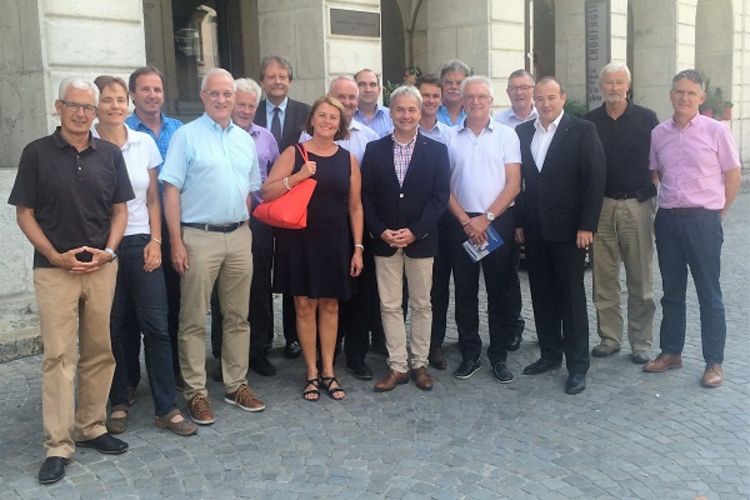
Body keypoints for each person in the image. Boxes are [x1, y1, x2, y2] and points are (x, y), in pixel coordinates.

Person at [9, 77, 133, 484]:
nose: (82, 114)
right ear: (58, 107)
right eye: (74, 105)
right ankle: (58, 445)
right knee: (59, 357)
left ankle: (90, 426)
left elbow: (120, 210)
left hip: (101, 268)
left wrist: (109, 251)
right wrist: (52, 255)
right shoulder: (36, 153)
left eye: (88, 107)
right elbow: (24, 213)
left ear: (95, 113)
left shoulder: (109, 154)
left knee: (100, 350)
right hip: (54, 271)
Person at [92, 75, 197, 437]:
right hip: (102, 246)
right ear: (96, 106)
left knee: (157, 325)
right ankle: (119, 399)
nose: (115, 106)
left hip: (141, 241)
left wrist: (156, 240)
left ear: (128, 103)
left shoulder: (143, 143)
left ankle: (166, 406)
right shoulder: (87, 143)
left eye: (119, 99)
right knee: (116, 325)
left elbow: (154, 197)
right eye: (108, 99)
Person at [160, 68, 265, 425]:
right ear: (203, 96)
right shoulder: (186, 137)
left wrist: (243, 227)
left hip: (238, 236)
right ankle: (196, 393)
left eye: (227, 94)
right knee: (193, 319)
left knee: (238, 317)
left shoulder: (245, 140)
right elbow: (170, 191)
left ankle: (236, 384)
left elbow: (250, 190)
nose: (222, 99)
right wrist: (176, 242)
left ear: (235, 98)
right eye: (215, 93)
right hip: (198, 237)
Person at [644, 69, 742, 388]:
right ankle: (671, 352)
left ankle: (714, 362)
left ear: (701, 97)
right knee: (672, 292)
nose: (684, 98)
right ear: (671, 95)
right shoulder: (659, 133)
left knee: (708, 292)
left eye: (690, 93)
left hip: (703, 220)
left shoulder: (716, 131)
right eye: (679, 92)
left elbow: (733, 175)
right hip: (669, 220)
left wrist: (718, 213)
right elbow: (657, 173)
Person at [264, 96, 365, 401]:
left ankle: (329, 371)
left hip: (335, 241)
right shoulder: (294, 153)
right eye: (322, 115)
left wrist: (358, 247)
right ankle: (311, 372)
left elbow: (355, 207)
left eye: (333, 117)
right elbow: (267, 192)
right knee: (305, 306)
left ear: (340, 124)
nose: (327, 122)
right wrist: (299, 176)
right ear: (312, 120)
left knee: (331, 306)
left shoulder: (347, 159)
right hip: (299, 241)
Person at [515, 76, 606, 395]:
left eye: (551, 97)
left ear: (563, 98)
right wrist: (519, 222)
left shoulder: (582, 130)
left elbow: (594, 180)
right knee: (541, 294)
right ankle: (550, 354)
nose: (545, 104)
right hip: (535, 228)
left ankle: (578, 366)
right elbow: (521, 183)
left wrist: (587, 226)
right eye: (540, 98)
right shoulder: (523, 132)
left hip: (570, 231)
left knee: (571, 298)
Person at [361, 85, 450, 392]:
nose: (406, 115)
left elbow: (440, 197)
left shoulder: (437, 151)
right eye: (400, 109)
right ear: (391, 112)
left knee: (423, 304)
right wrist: (380, 230)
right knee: (390, 305)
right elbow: (366, 196)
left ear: (420, 111)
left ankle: (419, 363)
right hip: (385, 241)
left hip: (421, 241)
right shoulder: (374, 150)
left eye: (412, 109)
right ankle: (397, 365)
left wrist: (415, 230)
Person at [300, 75, 382, 380]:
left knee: (354, 295)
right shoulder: (303, 141)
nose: (347, 102)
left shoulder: (369, 137)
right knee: (316, 296)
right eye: (340, 97)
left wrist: (361, 241)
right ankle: (322, 360)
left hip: (353, 225)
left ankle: (354, 357)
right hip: (313, 229)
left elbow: (365, 192)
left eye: (351, 97)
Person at [444, 76, 522, 383]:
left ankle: (498, 355)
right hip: (460, 223)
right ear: (462, 101)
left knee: (498, 290)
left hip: (496, 220)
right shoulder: (450, 137)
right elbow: (444, 186)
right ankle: (470, 353)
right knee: (465, 292)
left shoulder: (506, 135)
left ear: (491, 100)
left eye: (482, 97)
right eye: (470, 97)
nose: (476, 102)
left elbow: (513, 183)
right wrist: (466, 221)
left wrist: (486, 219)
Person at [584, 63, 659, 364]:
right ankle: (609, 338)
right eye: (608, 83)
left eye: (619, 82)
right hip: (601, 206)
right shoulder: (590, 122)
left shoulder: (646, 118)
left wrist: (647, 191)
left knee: (640, 278)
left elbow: (658, 161)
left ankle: (641, 342)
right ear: (600, 86)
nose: (613, 88)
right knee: (604, 278)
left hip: (637, 205)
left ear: (628, 85)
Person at [210, 77, 279, 378]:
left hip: (259, 220)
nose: (246, 110)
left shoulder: (266, 138)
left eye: (252, 105)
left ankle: (259, 350)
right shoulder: (213, 137)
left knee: (259, 286)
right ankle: (223, 354)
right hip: (223, 219)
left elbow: (275, 177)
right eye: (241, 104)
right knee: (222, 290)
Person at [125, 65, 185, 397]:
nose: (152, 95)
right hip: (136, 228)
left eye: (157, 89)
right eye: (145, 89)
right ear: (133, 94)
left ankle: (172, 369)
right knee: (132, 309)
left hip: (173, 226)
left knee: (172, 302)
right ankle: (129, 377)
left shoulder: (179, 130)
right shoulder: (122, 130)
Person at [255, 55, 311, 359]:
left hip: (293, 204)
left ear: (290, 81)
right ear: (262, 81)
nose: (277, 81)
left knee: (291, 270)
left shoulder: (305, 113)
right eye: (271, 76)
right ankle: (262, 338)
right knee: (261, 272)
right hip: (259, 205)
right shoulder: (250, 111)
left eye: (282, 76)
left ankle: (293, 337)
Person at [494, 69, 539, 352]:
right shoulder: (498, 123)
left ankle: (550, 329)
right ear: (507, 92)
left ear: (533, 89)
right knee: (508, 271)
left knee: (544, 271)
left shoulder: (546, 117)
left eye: (525, 87)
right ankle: (512, 325)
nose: (519, 92)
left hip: (540, 205)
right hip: (509, 207)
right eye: (514, 88)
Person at [415, 74, 454, 370]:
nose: (429, 101)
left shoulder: (450, 135)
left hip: (442, 220)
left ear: (440, 100)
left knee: (437, 286)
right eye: (424, 95)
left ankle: (434, 343)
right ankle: (396, 341)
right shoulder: (399, 129)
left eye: (434, 96)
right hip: (406, 220)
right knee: (404, 288)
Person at [354, 68, 394, 137]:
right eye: (362, 84)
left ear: (379, 90)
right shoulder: (345, 117)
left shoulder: (391, 116)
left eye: (373, 85)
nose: (368, 90)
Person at [437, 60, 471, 126]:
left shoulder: (473, 113)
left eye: (459, 83)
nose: (454, 87)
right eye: (449, 82)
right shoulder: (430, 111)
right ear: (441, 84)